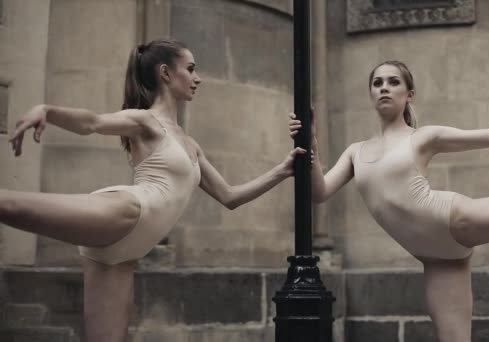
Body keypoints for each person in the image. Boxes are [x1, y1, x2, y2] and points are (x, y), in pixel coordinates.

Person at [2, 38, 304, 342]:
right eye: (191, 68)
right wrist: (47, 110)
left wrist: (283, 170)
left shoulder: (190, 144)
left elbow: (230, 197)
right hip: (128, 211)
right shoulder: (145, 121)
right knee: (10, 206)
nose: (197, 78)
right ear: (166, 73)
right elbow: (92, 122)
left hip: (126, 252)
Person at [288, 60, 489, 342]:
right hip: (438, 258)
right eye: (377, 83)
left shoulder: (423, 137)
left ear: (409, 94)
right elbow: (319, 193)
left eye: (393, 82)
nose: (384, 88)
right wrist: (311, 141)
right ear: (371, 93)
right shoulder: (355, 151)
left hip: (456, 218)